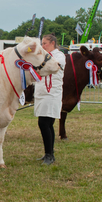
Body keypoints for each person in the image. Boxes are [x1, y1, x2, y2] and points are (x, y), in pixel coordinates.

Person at [34, 34, 66, 165]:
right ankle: (49, 153)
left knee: (44, 123)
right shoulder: (43, 55)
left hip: (51, 92)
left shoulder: (59, 55)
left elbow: (54, 66)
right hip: (41, 92)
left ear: (52, 43)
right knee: (46, 123)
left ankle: (49, 154)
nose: (43, 46)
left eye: (45, 43)